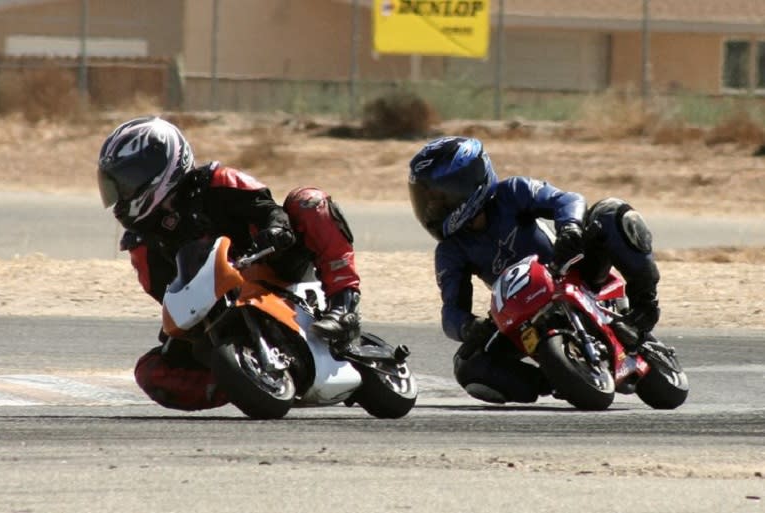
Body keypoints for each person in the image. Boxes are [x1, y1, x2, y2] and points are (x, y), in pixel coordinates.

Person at [97, 116, 361, 411]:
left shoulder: (217, 181)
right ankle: (241, 380)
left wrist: (275, 229)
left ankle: (344, 306)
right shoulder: (142, 243)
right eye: (115, 185)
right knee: (150, 370)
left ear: (161, 167)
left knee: (309, 201)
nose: (120, 194)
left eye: (127, 181)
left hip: (276, 267)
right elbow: (165, 293)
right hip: (219, 308)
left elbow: (268, 211)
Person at [407, 136, 661, 404]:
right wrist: (469, 327)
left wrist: (570, 227)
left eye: (439, 197)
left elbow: (567, 200)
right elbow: (451, 311)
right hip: (524, 313)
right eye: (425, 200)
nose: (431, 208)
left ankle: (645, 306)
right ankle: (555, 379)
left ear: (468, 183)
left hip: (570, 271)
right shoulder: (451, 250)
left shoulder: (513, 192)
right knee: (468, 365)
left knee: (611, 212)